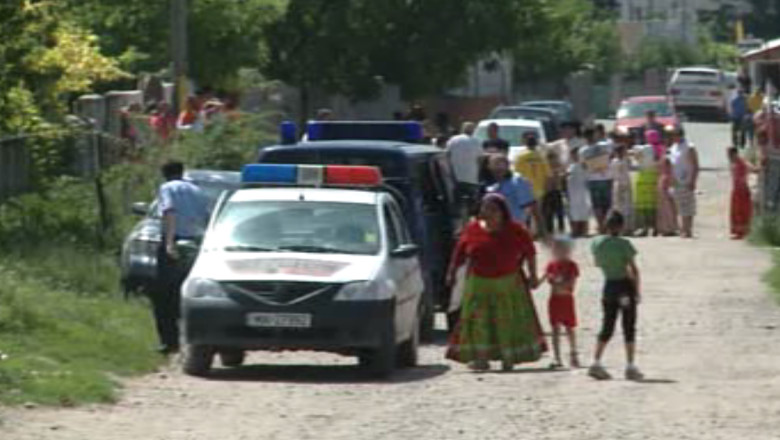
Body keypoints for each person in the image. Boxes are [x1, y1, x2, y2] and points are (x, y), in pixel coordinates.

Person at [445, 194, 547, 371]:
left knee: (507, 321)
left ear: (503, 212)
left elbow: (530, 252)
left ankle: (509, 358)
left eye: (494, 209)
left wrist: (533, 275)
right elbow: (459, 253)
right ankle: (481, 359)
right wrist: (451, 273)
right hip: (478, 284)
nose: (488, 212)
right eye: (485, 208)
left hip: (508, 284)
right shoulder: (472, 230)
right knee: (479, 323)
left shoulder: (516, 230)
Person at [153, 161, 211, 354]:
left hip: (176, 241)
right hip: (195, 242)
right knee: (189, 291)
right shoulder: (197, 190)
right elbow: (206, 217)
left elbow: (169, 212)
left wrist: (169, 242)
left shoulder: (167, 188)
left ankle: (170, 342)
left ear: (164, 174)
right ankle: (195, 339)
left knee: (164, 294)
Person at [589, 212, 644, 381]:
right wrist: (637, 290)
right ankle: (630, 365)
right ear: (621, 226)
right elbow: (633, 269)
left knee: (607, 325)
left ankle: (596, 361)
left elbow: (597, 263)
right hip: (624, 287)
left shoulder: (597, 243)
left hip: (609, 286)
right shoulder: (624, 244)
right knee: (628, 325)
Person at [540, 236, 580, 368]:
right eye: (556, 249)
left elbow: (571, 284)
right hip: (554, 301)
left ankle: (574, 353)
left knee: (570, 328)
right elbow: (545, 278)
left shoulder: (572, 265)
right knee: (555, 329)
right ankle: (557, 357)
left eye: (562, 249)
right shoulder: (551, 265)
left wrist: (557, 283)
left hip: (567, 300)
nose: (559, 252)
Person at [485, 154, 542, 230]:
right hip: (491, 229)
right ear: (489, 166)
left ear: (508, 165)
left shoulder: (517, 181)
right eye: (496, 164)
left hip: (513, 227)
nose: (499, 167)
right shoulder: (486, 184)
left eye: (502, 163)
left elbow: (532, 206)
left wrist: (542, 230)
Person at [580, 128, 613, 233]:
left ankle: (601, 225)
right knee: (607, 204)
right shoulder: (605, 146)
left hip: (592, 179)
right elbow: (611, 157)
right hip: (606, 177)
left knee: (597, 204)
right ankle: (606, 225)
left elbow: (583, 166)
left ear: (584, 138)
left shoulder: (583, 151)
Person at [670, 129, 699, 238]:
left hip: (686, 180)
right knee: (679, 205)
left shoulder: (689, 147)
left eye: (675, 135)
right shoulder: (673, 147)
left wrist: (693, 180)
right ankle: (683, 228)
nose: (674, 137)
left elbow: (695, 165)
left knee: (688, 205)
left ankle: (688, 229)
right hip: (676, 180)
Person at [446, 122, 483, 211]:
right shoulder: (476, 141)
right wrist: (479, 172)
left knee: (457, 204)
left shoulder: (453, 140)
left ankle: (459, 220)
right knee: (472, 205)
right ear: (473, 130)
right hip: (471, 177)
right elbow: (480, 159)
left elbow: (447, 154)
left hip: (456, 177)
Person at [634, 130, 662, 236]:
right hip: (654, 177)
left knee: (644, 205)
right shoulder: (660, 148)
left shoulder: (644, 148)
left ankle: (645, 228)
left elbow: (636, 157)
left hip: (643, 177)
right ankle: (655, 227)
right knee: (653, 205)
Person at [729, 147, 754, 239]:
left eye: (731, 154)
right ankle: (738, 231)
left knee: (743, 211)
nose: (730, 157)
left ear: (735, 154)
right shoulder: (734, 163)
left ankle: (743, 232)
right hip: (736, 190)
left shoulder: (742, 163)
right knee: (736, 212)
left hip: (742, 190)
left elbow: (750, 169)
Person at [567, 147, 590, 238]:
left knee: (583, 210)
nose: (574, 156)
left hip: (582, 191)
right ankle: (575, 230)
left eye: (576, 154)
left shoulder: (583, 165)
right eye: (573, 154)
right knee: (574, 211)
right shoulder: (570, 166)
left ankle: (584, 230)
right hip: (573, 192)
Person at [611, 143, 634, 235]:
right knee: (619, 208)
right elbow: (613, 174)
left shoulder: (626, 160)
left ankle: (629, 228)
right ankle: (620, 228)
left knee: (628, 207)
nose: (620, 153)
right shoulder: (614, 161)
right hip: (618, 184)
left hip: (626, 184)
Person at [543, 150, 566, 234]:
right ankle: (551, 231)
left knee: (559, 212)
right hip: (548, 192)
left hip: (555, 191)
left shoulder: (557, 167)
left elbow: (561, 177)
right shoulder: (545, 167)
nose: (553, 161)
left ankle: (560, 230)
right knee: (549, 214)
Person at [656, 153, 679, 236]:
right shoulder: (663, 176)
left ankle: (670, 229)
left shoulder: (668, 176)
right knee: (665, 214)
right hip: (663, 198)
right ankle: (665, 229)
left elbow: (672, 185)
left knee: (669, 213)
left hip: (668, 198)